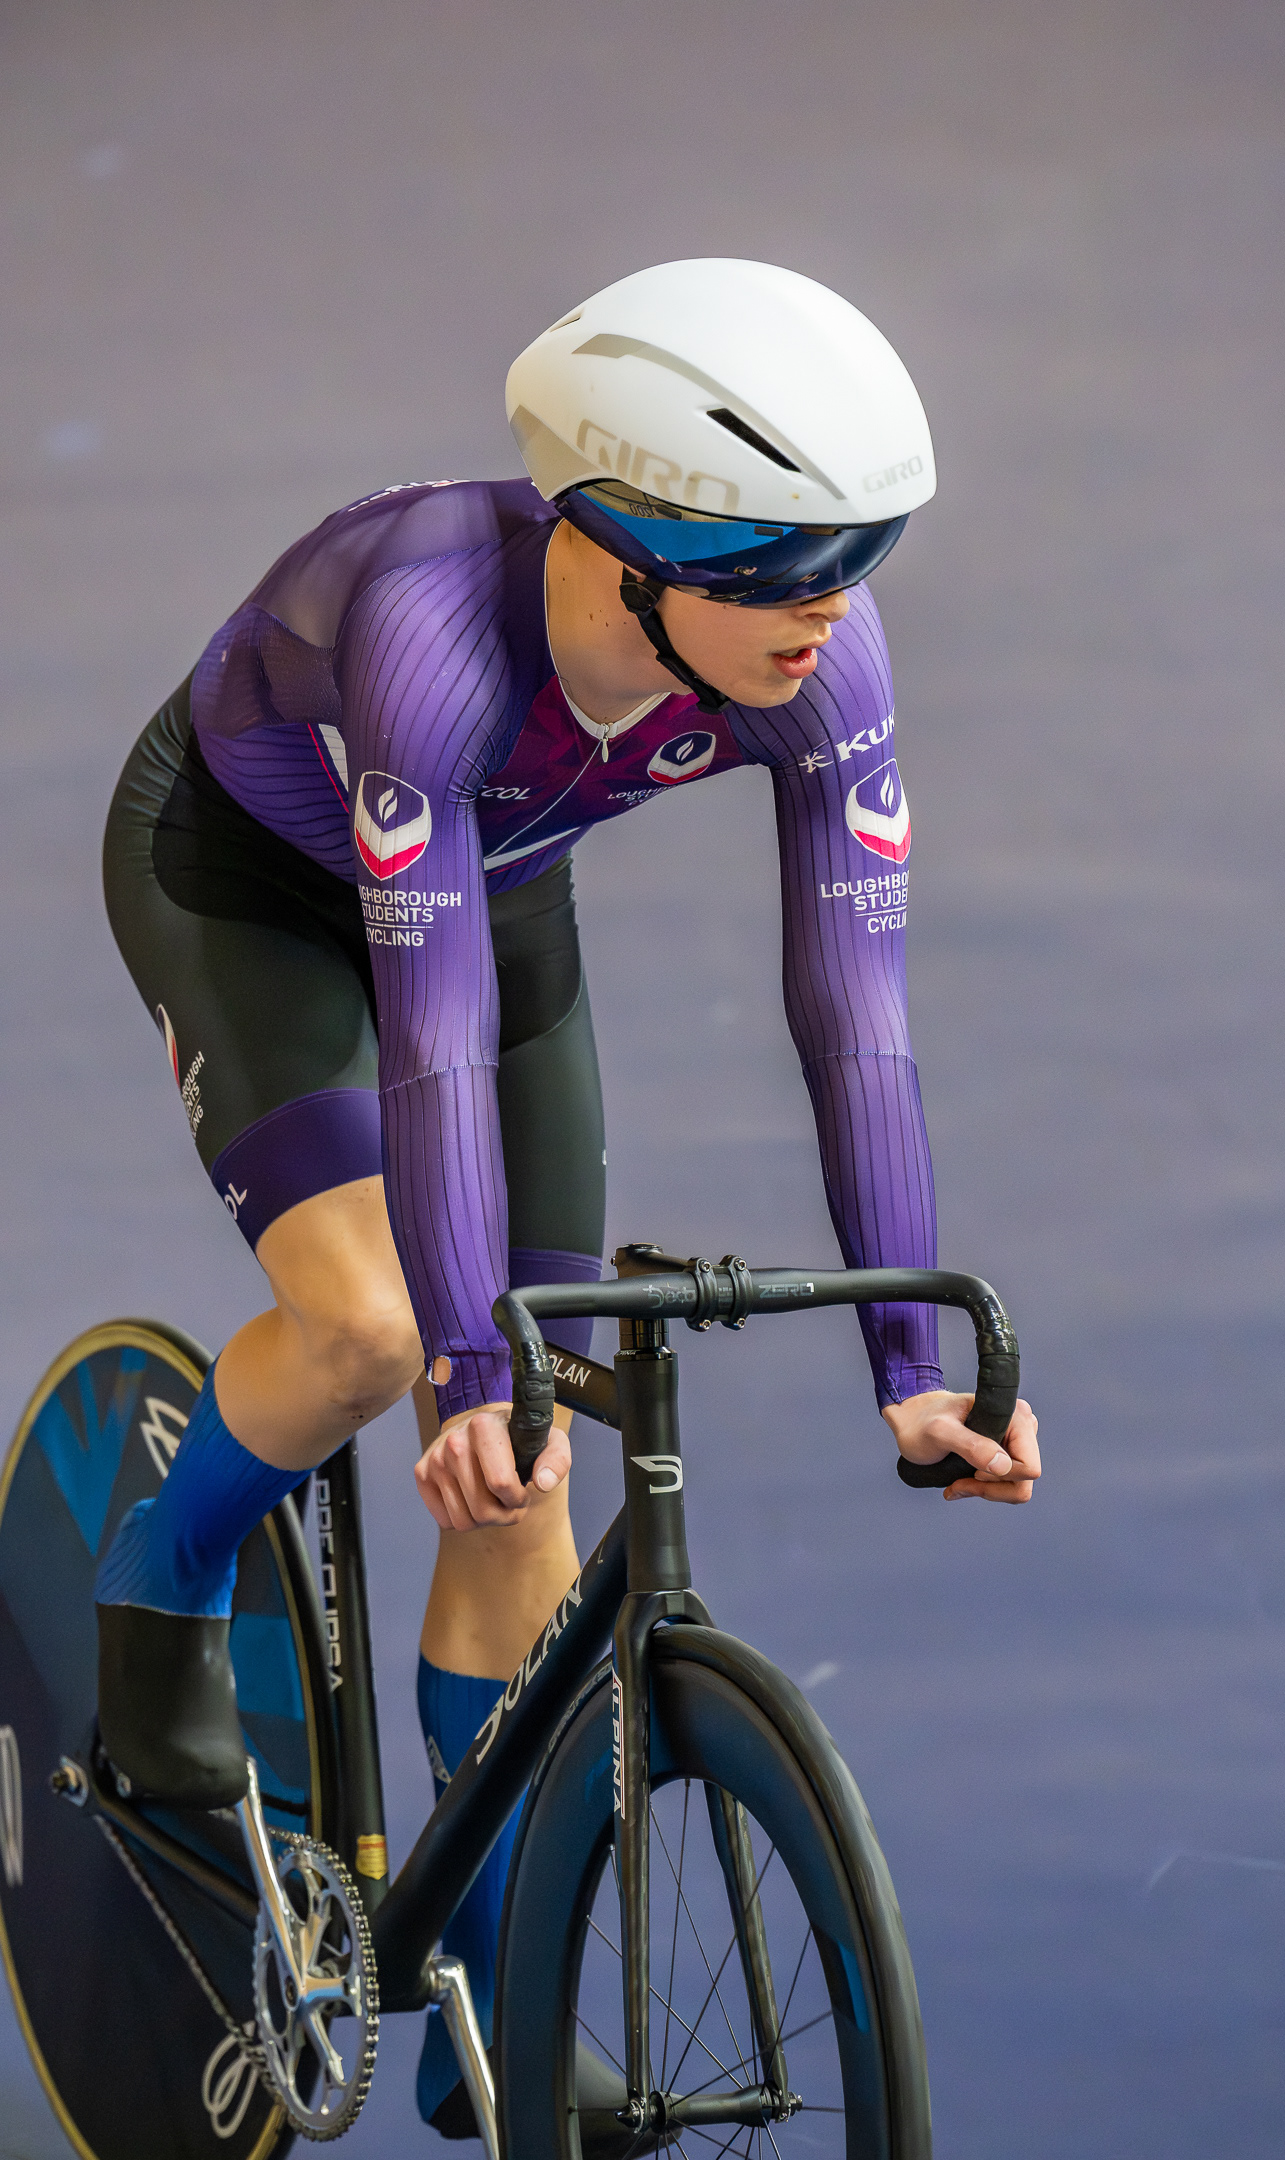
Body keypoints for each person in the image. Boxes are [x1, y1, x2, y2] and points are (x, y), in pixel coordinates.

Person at [95, 256, 1041, 2136]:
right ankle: (155, 1574)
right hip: (251, 890)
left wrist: (912, 1367)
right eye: (783, 566)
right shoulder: (430, 636)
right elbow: (430, 1042)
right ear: (624, 544)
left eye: (863, 555)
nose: (834, 607)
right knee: (376, 1336)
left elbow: (856, 1019)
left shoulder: (822, 663)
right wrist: (460, 1371)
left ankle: (484, 1997)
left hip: (494, 890)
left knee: (532, 1469)